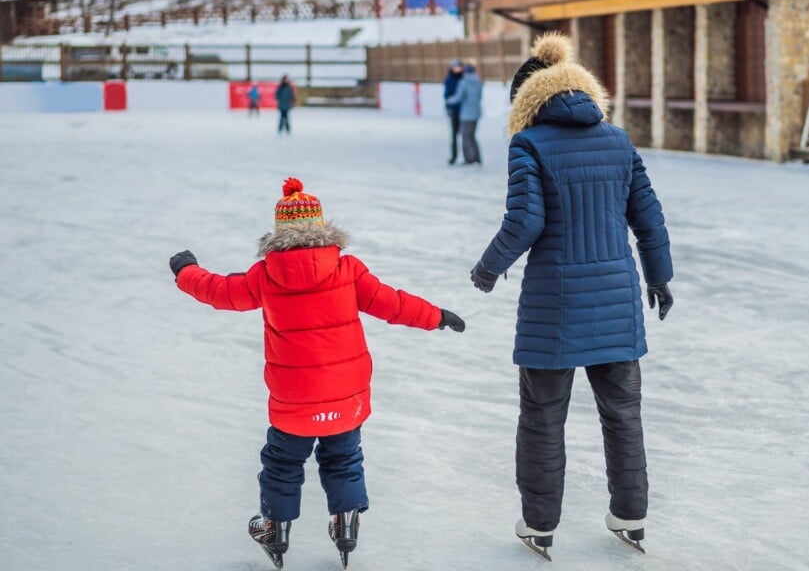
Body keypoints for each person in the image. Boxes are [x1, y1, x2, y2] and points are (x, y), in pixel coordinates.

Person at [168, 177, 466, 569]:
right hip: (347, 396)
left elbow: (221, 291)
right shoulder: (348, 269)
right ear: (321, 226)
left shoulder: (266, 274)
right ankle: (346, 523)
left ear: (280, 232)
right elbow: (391, 303)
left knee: (282, 462)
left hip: (293, 401)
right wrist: (435, 316)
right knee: (343, 458)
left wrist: (186, 270)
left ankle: (275, 528)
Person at [468, 33, 673, 558]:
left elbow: (526, 220)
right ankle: (631, 514)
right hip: (617, 301)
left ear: (526, 103)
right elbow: (647, 216)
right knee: (623, 416)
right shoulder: (618, 139)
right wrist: (659, 276)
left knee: (542, 418)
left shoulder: (529, 144)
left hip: (553, 308)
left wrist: (489, 267)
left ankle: (539, 524)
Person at [445, 62, 482, 165]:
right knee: (472, 136)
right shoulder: (478, 81)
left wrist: (449, 100)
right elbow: (479, 97)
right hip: (476, 112)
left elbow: (458, 97)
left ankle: (469, 159)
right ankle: (477, 157)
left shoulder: (464, 82)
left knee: (465, 137)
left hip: (466, 113)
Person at [443, 60, 464, 165]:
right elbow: (446, 95)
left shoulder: (464, 79)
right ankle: (454, 156)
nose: (458, 69)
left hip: (463, 111)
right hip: (454, 110)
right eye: (456, 67)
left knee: (464, 135)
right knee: (454, 135)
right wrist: (448, 106)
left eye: (459, 67)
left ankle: (466, 156)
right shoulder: (450, 79)